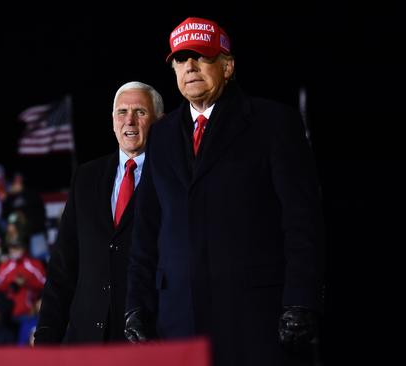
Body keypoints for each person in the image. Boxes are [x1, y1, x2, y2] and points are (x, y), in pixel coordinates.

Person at [123, 17, 324, 366]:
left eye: (202, 56)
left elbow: (302, 222)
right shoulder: (162, 135)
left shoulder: (274, 123)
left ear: (228, 66)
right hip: (178, 323)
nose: (190, 67)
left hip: (256, 323)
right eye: (181, 60)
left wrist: (301, 301)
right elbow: (146, 230)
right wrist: (137, 305)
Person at [34, 81, 164, 344]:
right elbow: (64, 264)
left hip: (148, 339)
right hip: (86, 341)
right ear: (113, 120)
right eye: (122, 112)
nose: (129, 120)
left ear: (159, 121)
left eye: (140, 112)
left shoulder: (170, 178)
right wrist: (47, 332)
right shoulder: (86, 177)